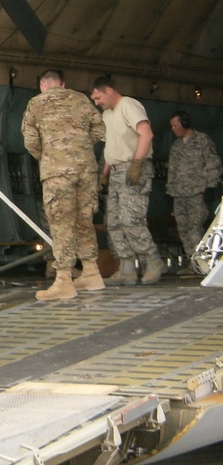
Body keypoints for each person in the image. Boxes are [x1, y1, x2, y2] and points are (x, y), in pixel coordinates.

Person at [21, 70, 107, 300]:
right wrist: (78, 148)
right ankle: (91, 272)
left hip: (57, 171)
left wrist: (50, 156)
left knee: (61, 222)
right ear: (63, 84)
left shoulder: (36, 103)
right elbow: (100, 128)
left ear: (43, 85)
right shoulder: (81, 98)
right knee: (84, 219)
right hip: (86, 169)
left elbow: (30, 139)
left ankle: (63, 281)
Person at [90, 76, 165, 285]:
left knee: (131, 219)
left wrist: (137, 163)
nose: (96, 102)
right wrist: (104, 173)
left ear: (108, 91)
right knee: (113, 222)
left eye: (98, 97)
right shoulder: (107, 114)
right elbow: (109, 148)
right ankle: (127, 268)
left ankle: (152, 261)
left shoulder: (128, 105)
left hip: (133, 168)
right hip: (115, 171)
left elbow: (146, 134)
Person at [166, 110, 223, 260]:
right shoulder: (176, 145)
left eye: (175, 125)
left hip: (197, 193)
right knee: (183, 230)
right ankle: (192, 262)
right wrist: (170, 191)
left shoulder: (202, 140)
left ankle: (200, 263)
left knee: (194, 228)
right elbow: (172, 170)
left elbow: (213, 164)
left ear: (184, 123)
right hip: (179, 195)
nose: (173, 128)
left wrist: (211, 187)